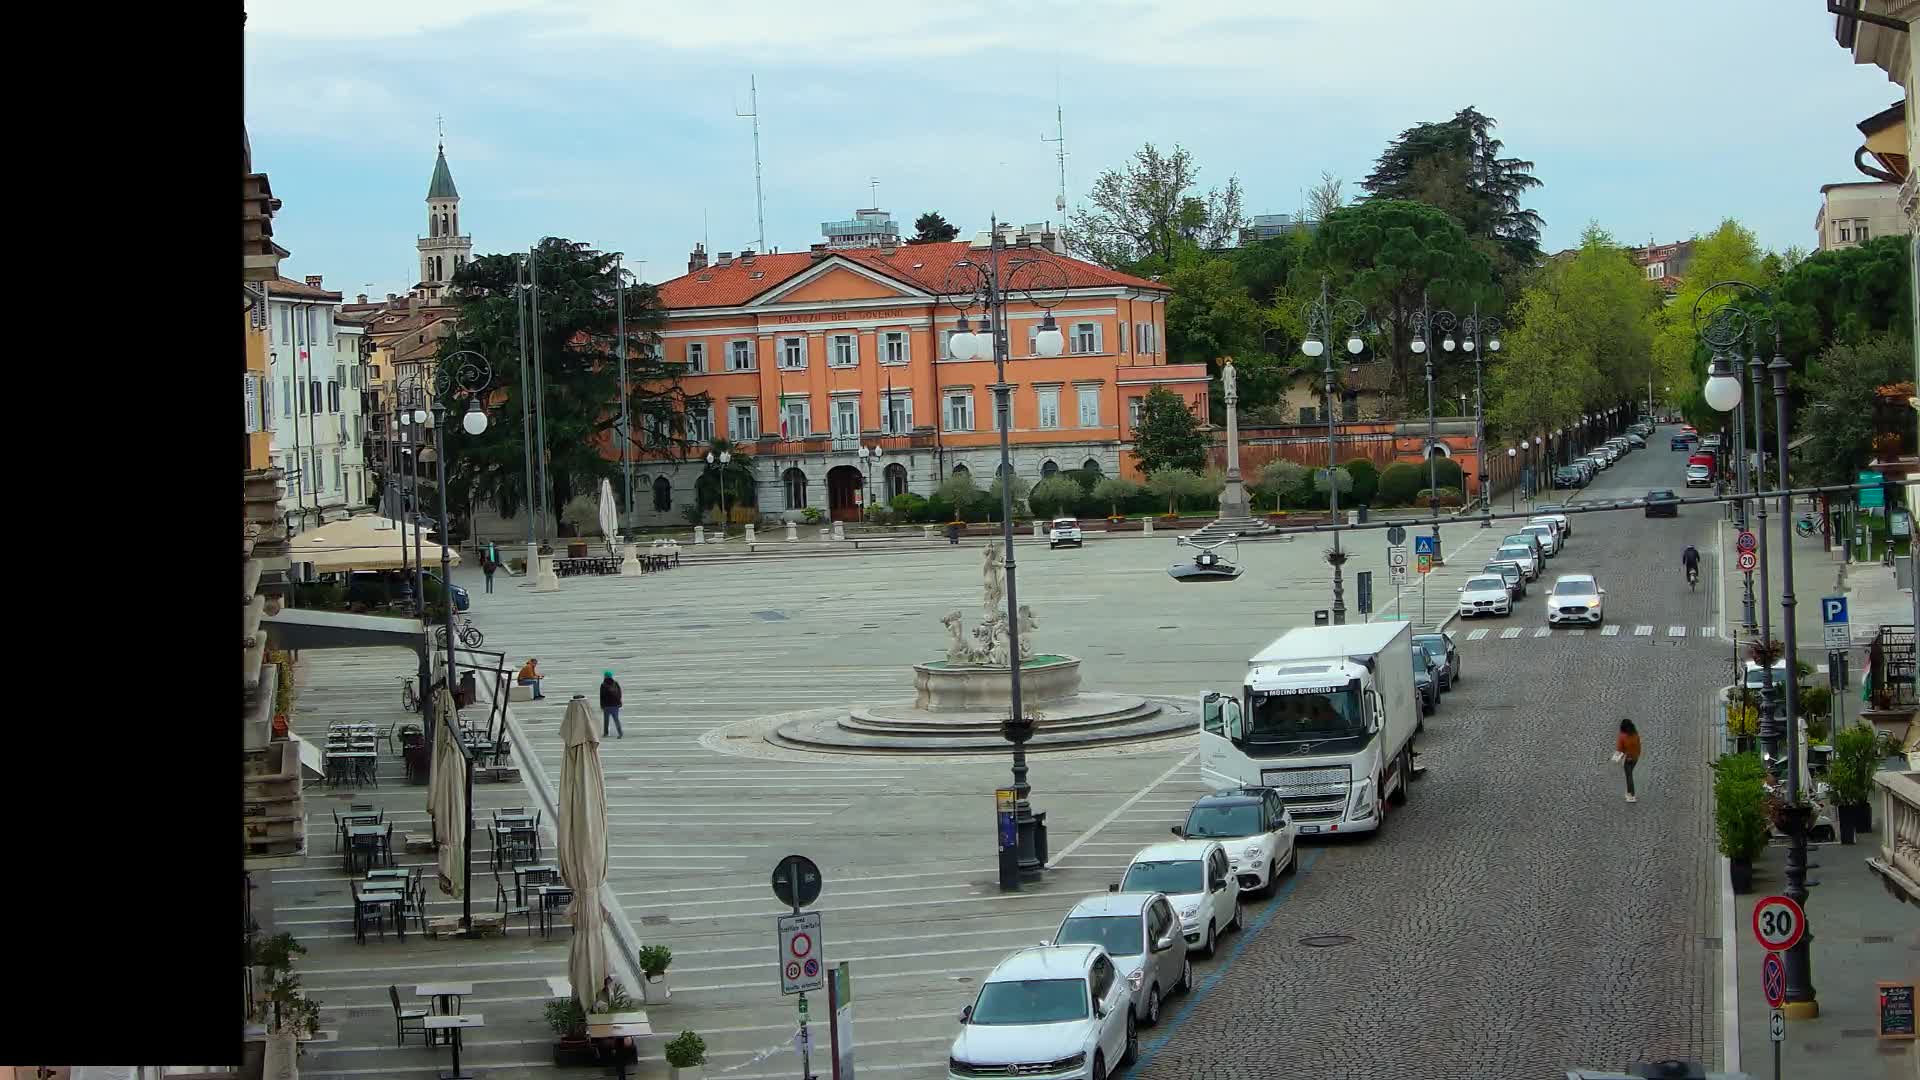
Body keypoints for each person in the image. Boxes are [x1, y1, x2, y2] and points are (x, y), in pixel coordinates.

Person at [1616, 719, 1642, 803]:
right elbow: (1638, 746)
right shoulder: (1635, 734)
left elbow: (1620, 748)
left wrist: (1618, 757)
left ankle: (1631, 795)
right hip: (1635, 757)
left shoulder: (1622, 736)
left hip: (1628, 758)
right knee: (1629, 775)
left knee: (1629, 776)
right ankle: (1629, 793)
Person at [600, 669, 623, 738]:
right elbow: (619, 693)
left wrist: (602, 705)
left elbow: (602, 696)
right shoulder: (615, 683)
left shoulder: (603, 684)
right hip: (615, 705)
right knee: (616, 719)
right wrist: (619, 702)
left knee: (606, 720)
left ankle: (606, 733)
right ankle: (620, 733)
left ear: (605, 676)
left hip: (607, 705)